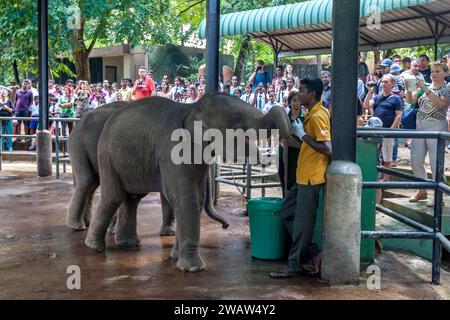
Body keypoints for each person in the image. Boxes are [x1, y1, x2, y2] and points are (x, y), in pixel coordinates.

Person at [270, 78, 332, 279]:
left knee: (302, 224)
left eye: (302, 91)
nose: (299, 95)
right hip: (302, 177)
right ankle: (313, 253)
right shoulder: (310, 114)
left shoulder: (318, 115)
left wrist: (303, 135)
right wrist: (298, 135)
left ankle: (294, 265)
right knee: (287, 213)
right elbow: (311, 144)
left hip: (311, 178)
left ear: (312, 93)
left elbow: (327, 149)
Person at [405, 62, 450, 206]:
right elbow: (411, 101)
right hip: (420, 126)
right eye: (432, 71)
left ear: (446, 73)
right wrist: (408, 89)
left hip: (437, 126)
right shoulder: (427, 86)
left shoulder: (447, 88)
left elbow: (441, 105)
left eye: (438, 71)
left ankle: (438, 197)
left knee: (436, 163)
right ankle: (422, 191)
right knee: (415, 161)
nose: (434, 73)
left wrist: (425, 89)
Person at [363, 74, 403, 181]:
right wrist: (369, 91)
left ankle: (386, 179)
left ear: (392, 84)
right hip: (375, 130)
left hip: (388, 130)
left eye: (386, 82)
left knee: (387, 155)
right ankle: (375, 176)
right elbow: (366, 105)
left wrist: (391, 130)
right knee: (374, 154)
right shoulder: (377, 97)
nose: (383, 83)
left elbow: (398, 115)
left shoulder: (396, 98)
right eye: (382, 82)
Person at [278, 92, 305, 197]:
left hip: (297, 152)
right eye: (294, 100)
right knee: (283, 172)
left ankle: (293, 201)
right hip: (284, 150)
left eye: (299, 100)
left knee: (294, 176)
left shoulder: (305, 118)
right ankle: (285, 197)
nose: (296, 103)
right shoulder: (285, 118)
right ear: (289, 103)